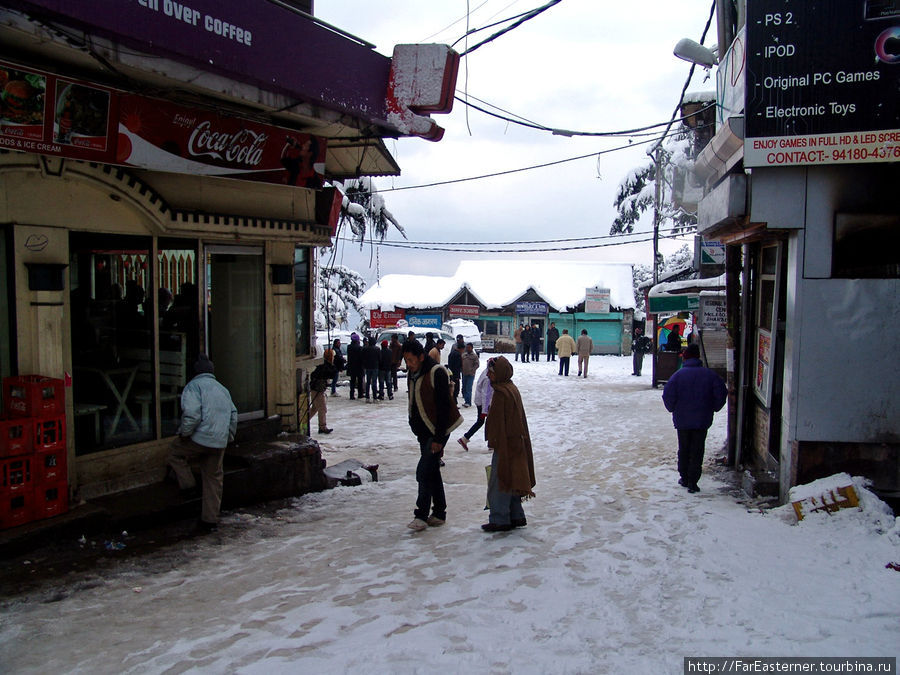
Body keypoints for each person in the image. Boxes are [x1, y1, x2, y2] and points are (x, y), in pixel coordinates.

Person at [167, 354, 238, 533]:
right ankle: (210, 519)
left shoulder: (193, 387)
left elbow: (192, 414)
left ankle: (188, 485)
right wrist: (227, 437)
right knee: (213, 478)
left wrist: (185, 433)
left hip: (199, 439)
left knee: (174, 453)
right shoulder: (223, 389)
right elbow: (233, 415)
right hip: (219, 441)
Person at [403, 339, 462, 531]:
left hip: (438, 430)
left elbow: (444, 406)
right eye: (406, 361)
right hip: (423, 432)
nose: (408, 364)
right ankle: (439, 512)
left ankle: (420, 515)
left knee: (424, 472)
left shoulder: (437, 372)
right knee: (432, 471)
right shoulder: (412, 374)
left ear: (421, 357)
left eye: (411, 360)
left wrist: (438, 439)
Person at [662, 343, 727, 494]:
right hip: (702, 420)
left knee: (684, 448)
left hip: (683, 420)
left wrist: (673, 408)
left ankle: (684, 476)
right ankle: (693, 481)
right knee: (697, 449)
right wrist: (714, 407)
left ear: (685, 357)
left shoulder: (677, 376)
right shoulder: (710, 375)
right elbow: (721, 393)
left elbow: (668, 395)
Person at [482, 356, 535, 532]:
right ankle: (516, 515)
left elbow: (498, 421)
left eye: (491, 372)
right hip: (516, 442)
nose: (489, 376)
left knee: (501, 479)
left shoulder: (501, 393)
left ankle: (500, 518)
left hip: (506, 443)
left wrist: (494, 439)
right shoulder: (511, 388)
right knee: (513, 477)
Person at [458, 365, 492, 451]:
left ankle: (465, 438)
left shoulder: (486, 372)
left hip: (480, 402)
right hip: (483, 403)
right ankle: (491, 443)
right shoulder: (488, 378)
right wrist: (484, 411)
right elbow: (486, 395)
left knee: (482, 422)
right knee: (486, 422)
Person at [308, 350, 337, 434]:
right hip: (318, 389)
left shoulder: (322, 365)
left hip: (316, 388)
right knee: (322, 408)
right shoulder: (325, 366)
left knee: (315, 408)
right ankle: (322, 427)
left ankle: (303, 421)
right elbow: (332, 374)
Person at [460, 342, 480, 407]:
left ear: (472, 348)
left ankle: (468, 402)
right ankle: (466, 401)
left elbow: (477, 364)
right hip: (464, 374)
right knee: (464, 388)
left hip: (470, 375)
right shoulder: (464, 355)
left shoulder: (474, 356)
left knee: (468, 388)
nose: (467, 349)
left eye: (469, 347)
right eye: (467, 347)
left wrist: (472, 370)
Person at [362, 336, 380, 402]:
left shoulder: (365, 349)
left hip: (368, 367)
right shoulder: (377, 349)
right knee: (374, 382)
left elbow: (363, 358)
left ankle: (367, 397)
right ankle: (374, 397)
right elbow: (379, 358)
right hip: (375, 367)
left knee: (368, 382)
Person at [346, 332, 364, 400]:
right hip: (359, 367)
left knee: (352, 381)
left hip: (351, 366)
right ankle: (360, 394)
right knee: (359, 381)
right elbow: (361, 357)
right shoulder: (359, 348)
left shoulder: (349, 347)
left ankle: (351, 394)